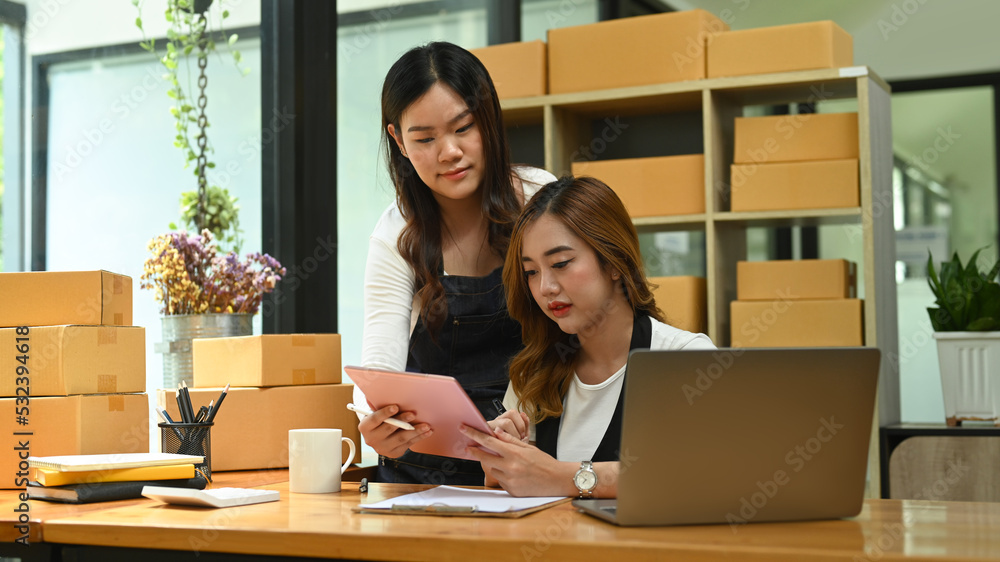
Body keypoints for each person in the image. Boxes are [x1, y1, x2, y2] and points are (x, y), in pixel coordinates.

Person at [357, 41, 556, 485]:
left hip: (528, 456)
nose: (448, 152)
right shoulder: (396, 233)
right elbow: (380, 365)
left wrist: (518, 416)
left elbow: (569, 335)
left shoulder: (539, 199)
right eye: (424, 139)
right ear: (399, 141)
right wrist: (377, 424)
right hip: (421, 470)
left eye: (463, 127)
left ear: (488, 118)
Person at [461, 176, 716, 497]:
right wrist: (503, 466)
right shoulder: (532, 374)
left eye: (561, 263)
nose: (545, 288)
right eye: (531, 272)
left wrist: (563, 477)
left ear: (614, 262)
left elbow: (703, 474)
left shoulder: (685, 358)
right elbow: (522, 494)